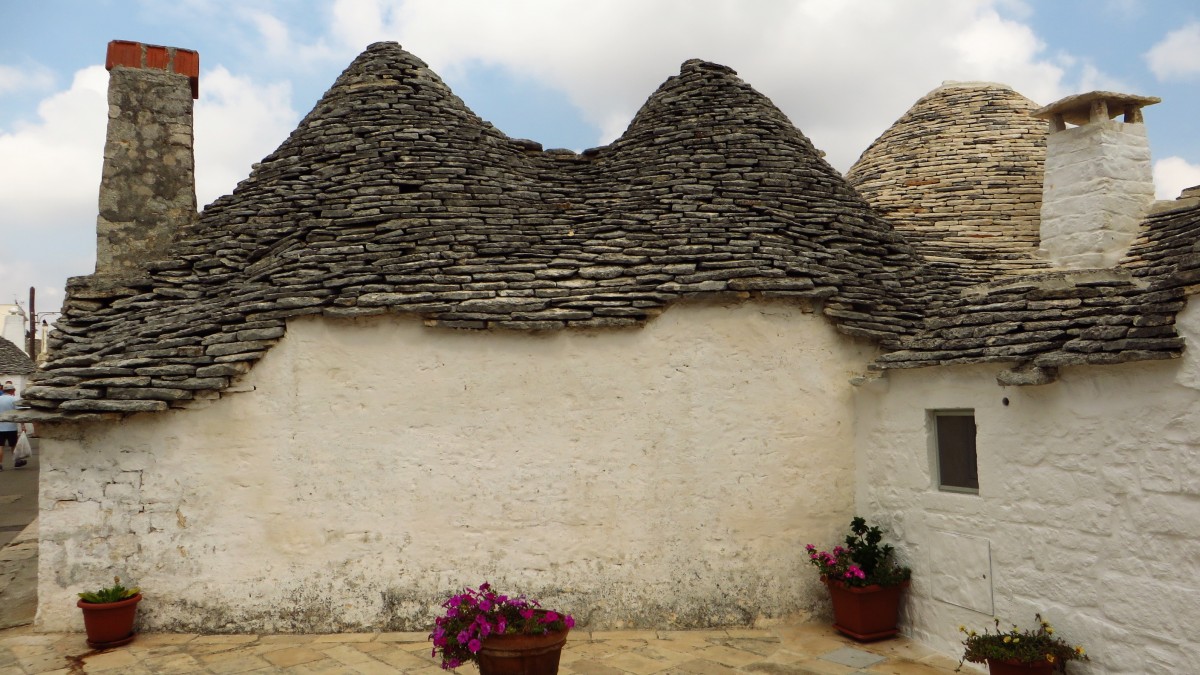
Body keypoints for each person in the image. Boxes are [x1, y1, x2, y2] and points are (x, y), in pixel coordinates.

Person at [0, 382, 18, 471]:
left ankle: (0, 464)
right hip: (11, 426)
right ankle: (16, 461)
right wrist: (23, 425)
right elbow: (20, 412)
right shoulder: (14, 399)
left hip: (0, 427)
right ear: (12, 390)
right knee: (13, 445)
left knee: (0, 446)